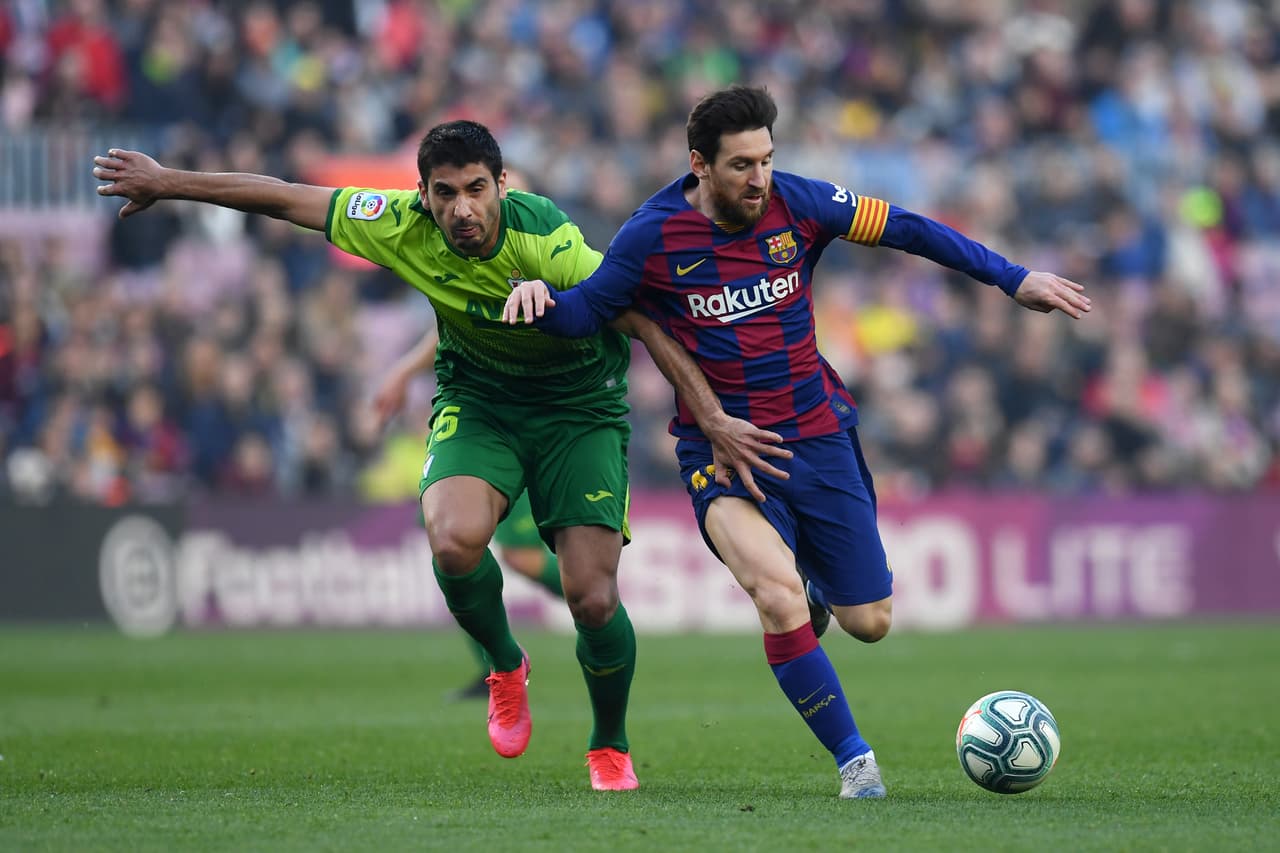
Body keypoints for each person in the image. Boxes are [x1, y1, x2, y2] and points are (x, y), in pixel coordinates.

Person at [93, 120, 789, 791]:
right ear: (422, 195)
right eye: (446, 193)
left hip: (579, 410)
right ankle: (505, 665)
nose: (462, 209)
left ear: (502, 185)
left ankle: (610, 742)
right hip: (480, 399)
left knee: (592, 595)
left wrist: (714, 417)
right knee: (454, 541)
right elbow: (283, 194)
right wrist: (168, 182)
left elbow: (637, 313)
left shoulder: (546, 235)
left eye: (477, 189)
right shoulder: (396, 223)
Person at [503, 85, 1092, 799]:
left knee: (869, 621)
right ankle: (856, 762)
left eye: (767, 160)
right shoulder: (649, 236)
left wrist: (1012, 277)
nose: (759, 179)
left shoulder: (801, 204)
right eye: (742, 165)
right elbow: (590, 312)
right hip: (722, 453)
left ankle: (815, 587)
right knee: (777, 599)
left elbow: (907, 227)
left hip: (818, 436)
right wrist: (539, 301)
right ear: (700, 165)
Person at [371, 327, 565, 700]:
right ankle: (495, 664)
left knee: (521, 557)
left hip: (520, 429)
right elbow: (449, 325)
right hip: (468, 428)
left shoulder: (527, 276)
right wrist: (406, 372)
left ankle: (596, 604)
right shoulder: (454, 278)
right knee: (452, 553)